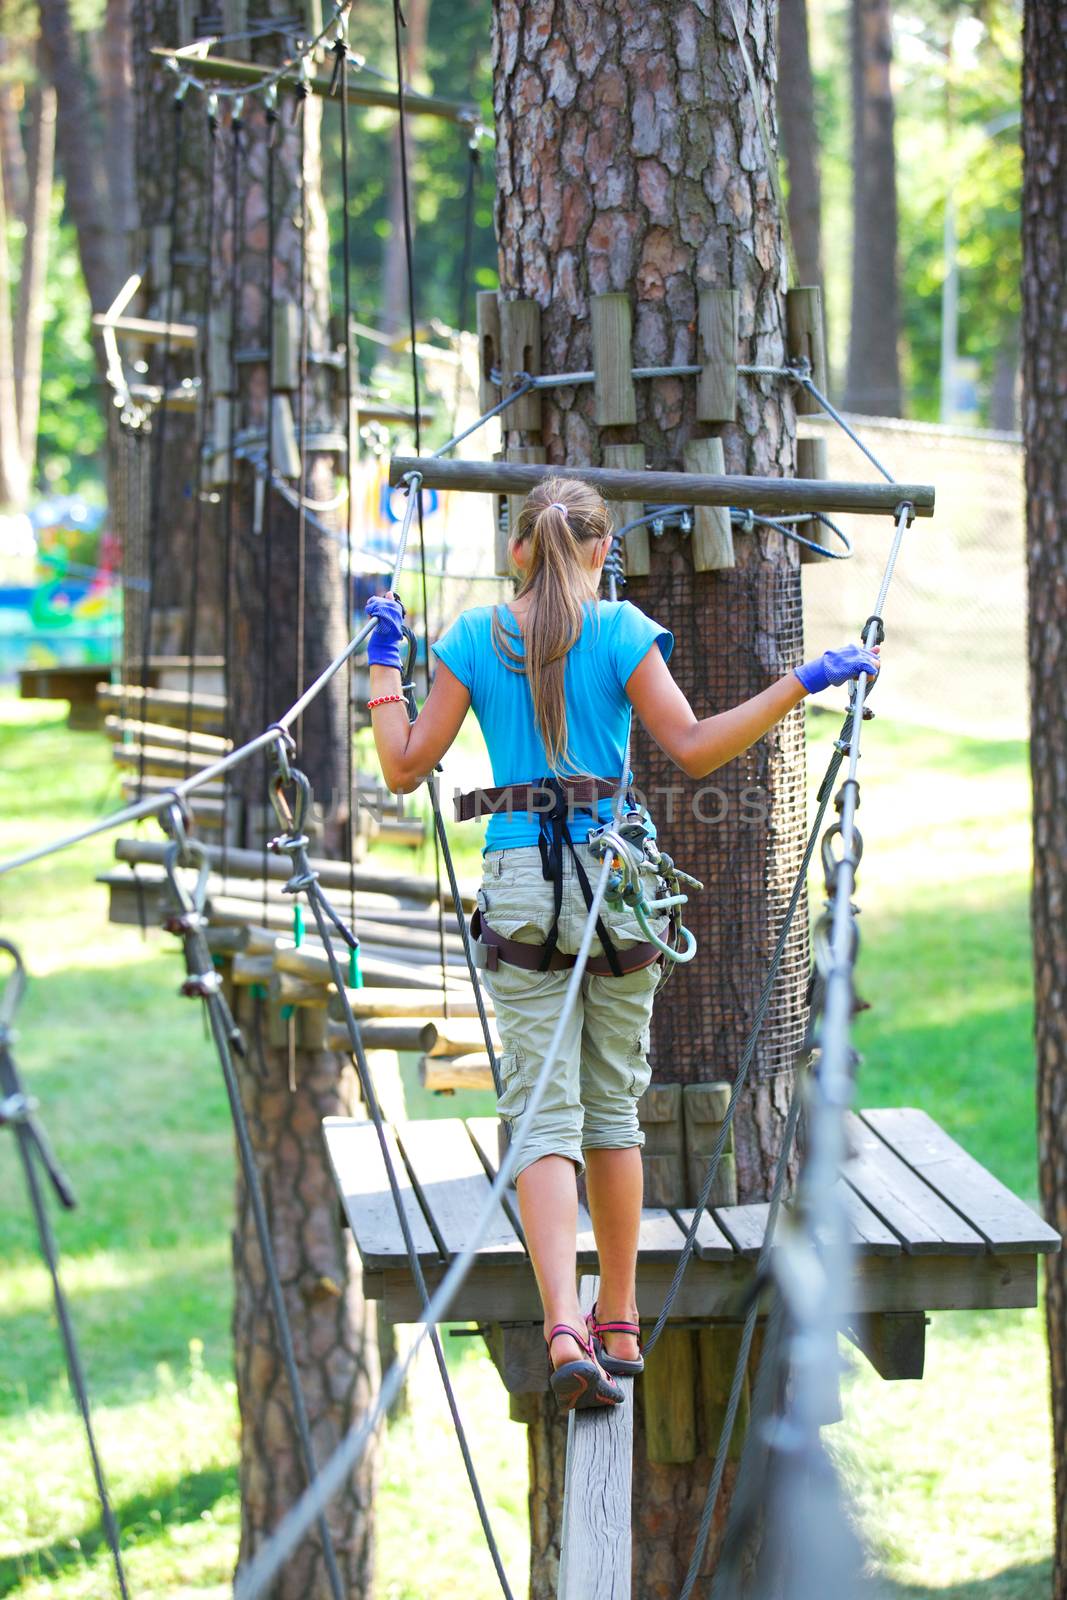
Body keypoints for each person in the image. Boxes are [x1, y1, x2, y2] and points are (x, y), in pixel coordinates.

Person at [364, 475, 878, 1413]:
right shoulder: (621, 631)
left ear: (516, 549)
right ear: (603, 553)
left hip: (523, 885)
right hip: (617, 885)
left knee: (541, 1108)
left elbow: (403, 767)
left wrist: (383, 668)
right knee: (613, 1104)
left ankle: (563, 1322)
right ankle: (622, 1317)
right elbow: (691, 745)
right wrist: (799, 685)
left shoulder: (478, 637)